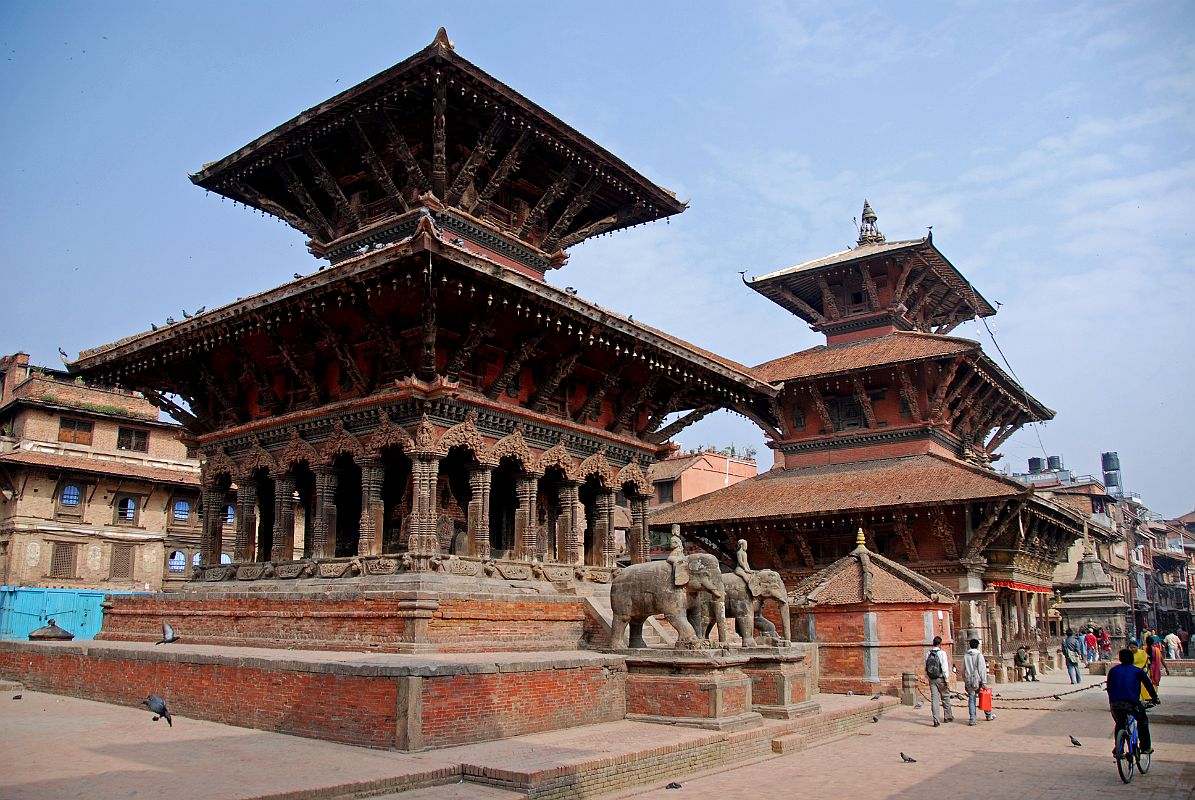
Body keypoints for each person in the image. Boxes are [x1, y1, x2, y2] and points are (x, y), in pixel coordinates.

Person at [1106, 647, 1159, 757]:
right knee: (1143, 720)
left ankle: (1118, 748)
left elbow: (1109, 687)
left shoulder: (1113, 671)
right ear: (1132, 659)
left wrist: (1112, 701)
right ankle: (1145, 747)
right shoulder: (1137, 671)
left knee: (1120, 724)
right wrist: (1155, 698)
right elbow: (1148, 685)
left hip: (1115, 704)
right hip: (1132, 703)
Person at [963, 638, 995, 725]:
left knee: (971, 699)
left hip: (969, 679)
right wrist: (984, 681)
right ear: (977, 646)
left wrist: (965, 679)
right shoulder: (979, 655)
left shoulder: (966, 655)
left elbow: (964, 669)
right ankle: (988, 715)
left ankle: (972, 719)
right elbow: (982, 669)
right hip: (978, 680)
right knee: (984, 696)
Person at [925, 635, 953, 727]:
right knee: (945, 697)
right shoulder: (942, 653)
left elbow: (926, 667)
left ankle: (936, 719)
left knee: (934, 699)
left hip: (932, 679)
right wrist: (947, 680)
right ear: (940, 644)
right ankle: (947, 716)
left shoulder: (928, 653)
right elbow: (944, 667)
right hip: (941, 678)